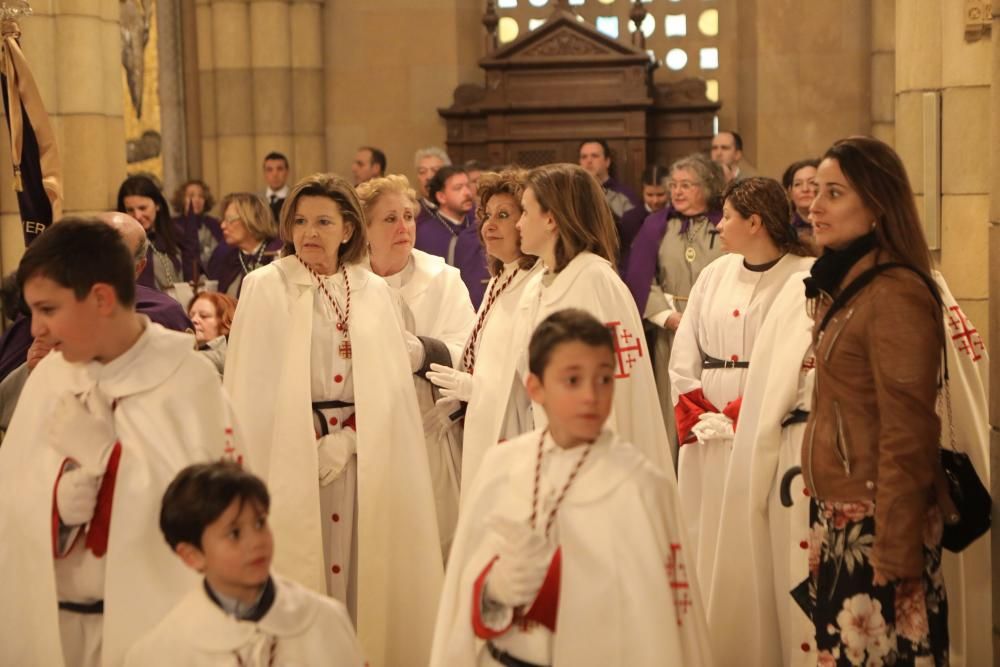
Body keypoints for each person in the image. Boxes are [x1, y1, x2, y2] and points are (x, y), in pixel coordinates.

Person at [0, 219, 242, 667]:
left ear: (101, 299)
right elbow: (8, 501)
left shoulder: (188, 382)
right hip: (55, 631)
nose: (35, 330)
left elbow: (224, 517)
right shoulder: (50, 377)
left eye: (48, 309)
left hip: (155, 632)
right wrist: (54, 508)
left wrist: (113, 462)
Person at [223, 173, 442, 667]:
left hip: (363, 459)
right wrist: (305, 441)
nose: (309, 233)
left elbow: (390, 390)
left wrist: (350, 440)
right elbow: (251, 389)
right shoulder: (265, 286)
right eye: (300, 221)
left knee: (367, 570)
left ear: (348, 229)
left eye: (323, 221)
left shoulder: (373, 291)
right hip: (291, 457)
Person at [430, 309, 712, 666]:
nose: (592, 396)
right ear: (535, 387)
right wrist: (495, 591)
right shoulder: (502, 468)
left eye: (604, 379)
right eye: (573, 380)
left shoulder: (641, 486)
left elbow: (661, 623)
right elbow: (462, 600)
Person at [792, 136, 951, 665]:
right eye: (815, 191)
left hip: (878, 522)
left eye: (833, 193)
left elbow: (909, 430)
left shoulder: (895, 292)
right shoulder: (848, 282)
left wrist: (897, 545)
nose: (815, 206)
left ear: (878, 204)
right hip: (842, 515)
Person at [667, 177, 814, 597]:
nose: (718, 225)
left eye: (727, 216)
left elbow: (801, 357)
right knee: (705, 521)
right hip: (706, 421)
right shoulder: (714, 273)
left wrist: (744, 412)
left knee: (754, 524)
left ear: (755, 222)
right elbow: (686, 346)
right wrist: (696, 408)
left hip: (767, 417)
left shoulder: (802, 276)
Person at [507, 163, 672, 474]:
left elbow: (610, 390)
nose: (518, 223)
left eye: (525, 212)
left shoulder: (593, 281)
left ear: (551, 219)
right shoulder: (540, 281)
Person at [125, 462, 364, 666]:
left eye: (260, 523)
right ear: (192, 555)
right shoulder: (159, 653)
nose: (256, 542)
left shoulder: (325, 620)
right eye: (235, 533)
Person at [355, 174, 475, 558]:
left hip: (429, 431)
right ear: (364, 228)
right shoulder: (347, 280)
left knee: (433, 545)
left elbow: (469, 351)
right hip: (364, 435)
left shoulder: (443, 279)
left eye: (408, 216)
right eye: (390, 219)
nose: (404, 227)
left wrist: (423, 352)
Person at [425, 169, 544, 495]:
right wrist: (463, 401)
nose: (489, 225)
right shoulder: (501, 278)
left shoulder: (538, 285)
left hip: (514, 432)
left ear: (526, 221)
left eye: (503, 215)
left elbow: (531, 375)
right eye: (487, 215)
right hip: (484, 425)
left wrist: (475, 390)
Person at [624, 153, 726, 453]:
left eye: (686, 185)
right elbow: (641, 278)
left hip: (717, 330)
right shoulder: (656, 226)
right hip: (671, 332)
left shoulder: (724, 224)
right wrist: (667, 316)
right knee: (671, 407)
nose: (677, 192)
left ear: (707, 186)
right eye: (675, 185)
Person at [416, 165, 490, 307]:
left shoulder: (479, 224)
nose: (467, 193)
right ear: (441, 196)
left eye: (468, 186)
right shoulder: (425, 234)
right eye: (458, 188)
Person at [117, 174, 197, 294]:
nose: (137, 216)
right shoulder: (118, 243)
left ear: (157, 205)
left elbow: (193, 272)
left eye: (143, 208)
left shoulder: (177, 235)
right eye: (130, 210)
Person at [205, 192, 282, 297]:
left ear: (252, 219)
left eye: (230, 220)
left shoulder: (279, 253)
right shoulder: (225, 256)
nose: (222, 225)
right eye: (223, 220)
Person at [617, 164, 669, 273]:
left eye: (660, 195)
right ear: (642, 191)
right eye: (649, 195)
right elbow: (624, 256)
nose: (655, 201)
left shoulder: (677, 218)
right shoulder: (630, 218)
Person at [577, 138, 639, 216]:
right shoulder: (573, 194)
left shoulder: (625, 195)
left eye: (594, 156)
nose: (589, 160)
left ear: (607, 161)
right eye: (584, 157)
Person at [172, 178, 222, 269]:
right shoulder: (173, 226)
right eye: (191, 196)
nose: (197, 200)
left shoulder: (214, 224)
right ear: (182, 199)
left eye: (201, 196)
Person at [189, 292, 237, 376]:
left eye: (204, 316)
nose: (194, 320)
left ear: (226, 324)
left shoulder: (226, 356)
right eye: (190, 316)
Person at [782, 158, 820, 242]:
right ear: (790, 192)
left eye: (812, 182)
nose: (805, 189)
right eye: (798, 184)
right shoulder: (782, 230)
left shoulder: (836, 226)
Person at [414, 146, 451, 215]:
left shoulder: (458, 209)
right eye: (422, 171)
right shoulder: (412, 212)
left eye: (435, 171)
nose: (429, 177)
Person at [262, 151, 290, 221]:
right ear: (264, 173)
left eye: (280, 169)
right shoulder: (256, 200)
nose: (275, 174)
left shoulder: (296, 198)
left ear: (287, 172)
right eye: (269, 170)